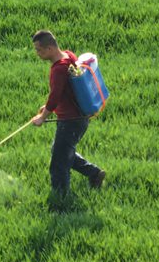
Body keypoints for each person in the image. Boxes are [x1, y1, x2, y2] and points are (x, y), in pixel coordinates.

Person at [30, 30, 105, 196]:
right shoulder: (68, 56)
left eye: (39, 50)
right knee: (63, 151)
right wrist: (49, 107)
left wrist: (43, 117)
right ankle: (94, 173)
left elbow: (55, 95)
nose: (37, 53)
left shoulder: (58, 69)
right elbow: (67, 90)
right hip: (79, 117)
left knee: (58, 163)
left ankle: (61, 197)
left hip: (70, 121)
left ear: (49, 48)